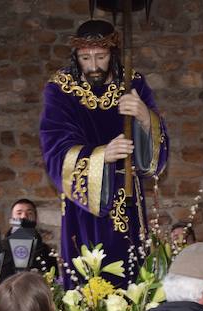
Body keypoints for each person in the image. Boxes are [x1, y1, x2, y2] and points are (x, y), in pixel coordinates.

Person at [40, 19, 169, 287]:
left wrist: (145, 117)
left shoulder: (132, 81)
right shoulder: (61, 88)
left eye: (101, 56)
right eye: (85, 58)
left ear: (113, 54)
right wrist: (101, 155)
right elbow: (54, 145)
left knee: (131, 272)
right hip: (82, 205)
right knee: (87, 274)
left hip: (128, 196)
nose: (94, 65)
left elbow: (156, 154)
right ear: (76, 56)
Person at [0, 199, 59, 281]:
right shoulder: (0, 249)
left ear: (36, 219)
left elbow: (54, 282)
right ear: (11, 219)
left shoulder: (47, 252)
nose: (24, 217)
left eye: (29, 213)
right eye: (19, 213)